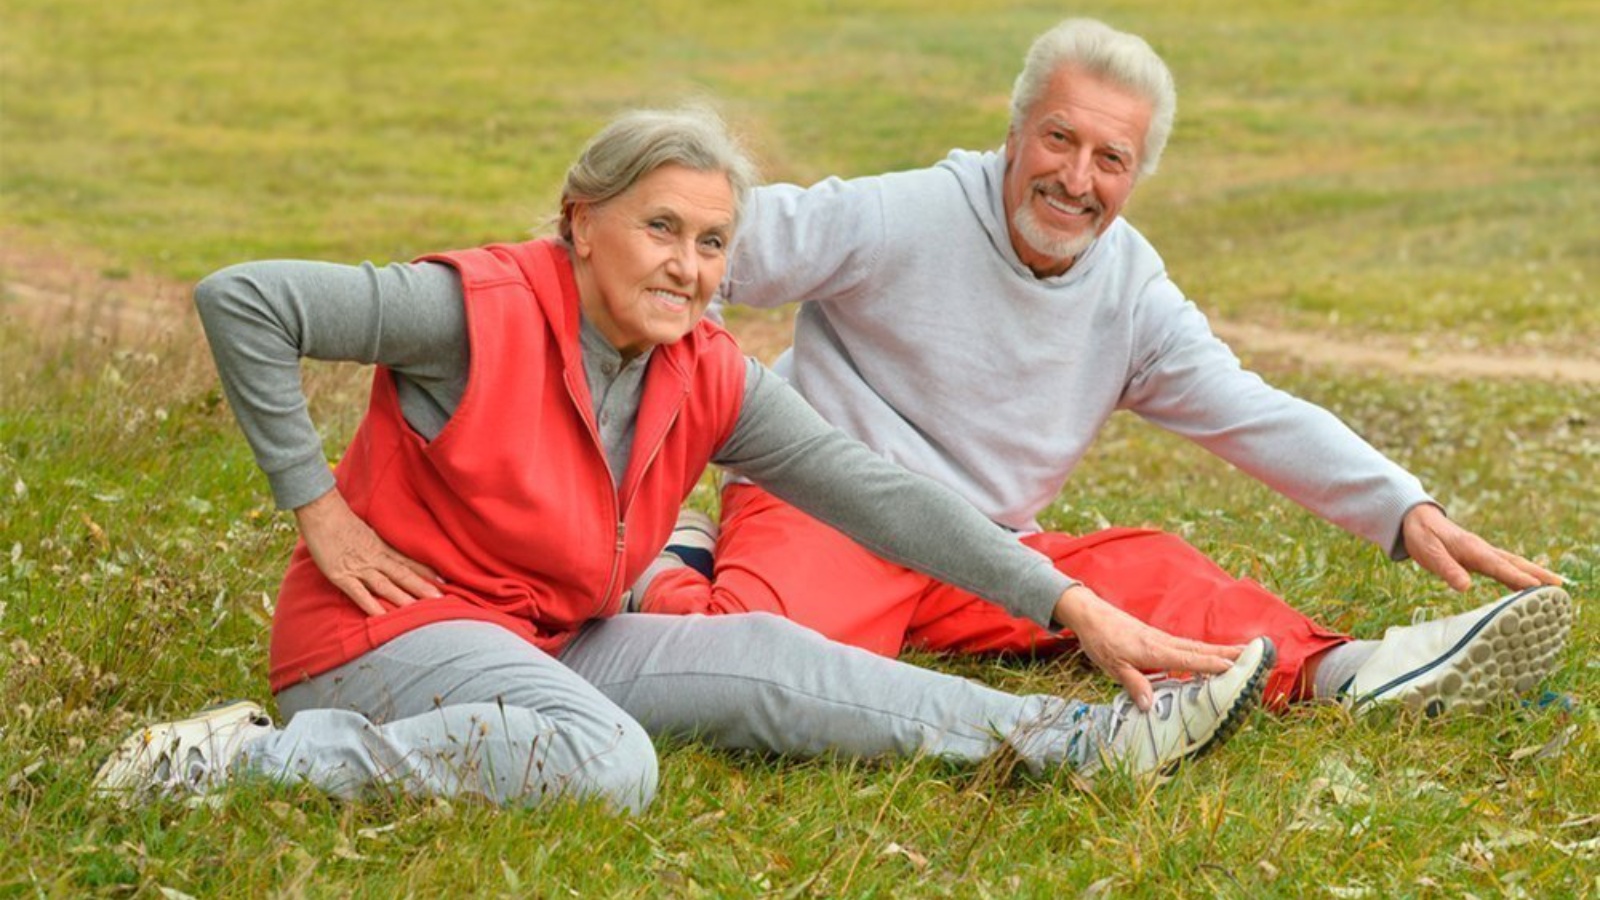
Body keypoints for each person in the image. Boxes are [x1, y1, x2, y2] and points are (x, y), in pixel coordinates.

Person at [92, 107, 1277, 811]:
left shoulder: (703, 369)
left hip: (548, 633)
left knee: (759, 649)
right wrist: (315, 505)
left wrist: (1069, 602)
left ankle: (1087, 744)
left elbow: (880, 496)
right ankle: (240, 763)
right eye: (661, 228)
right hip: (382, 639)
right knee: (607, 764)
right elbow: (243, 301)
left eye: (713, 243)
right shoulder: (471, 310)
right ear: (580, 221)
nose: (688, 265)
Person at [635, 19, 1574, 716]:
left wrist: (1402, 507)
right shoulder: (903, 213)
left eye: (1110, 158)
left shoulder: (1132, 293)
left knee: (1158, 573)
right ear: (1014, 133)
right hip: (830, 513)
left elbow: (1248, 410)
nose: (1076, 179)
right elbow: (706, 252)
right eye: (1058, 139)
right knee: (750, 665)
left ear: (1136, 176)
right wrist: (694, 415)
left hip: (989, 550)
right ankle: (672, 562)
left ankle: (1357, 672)